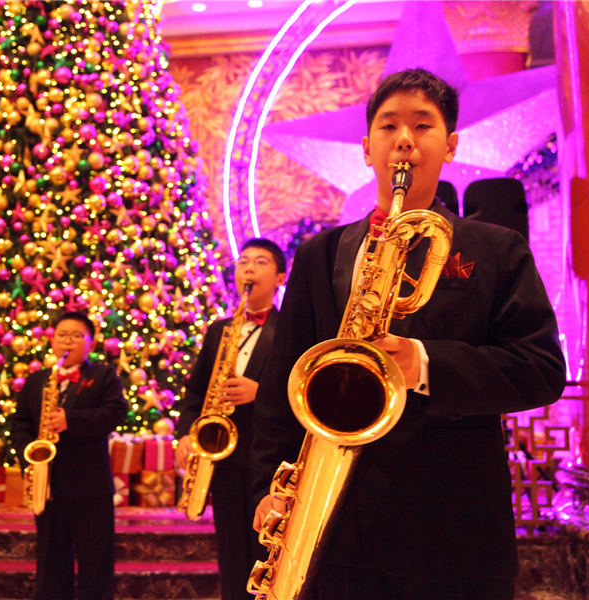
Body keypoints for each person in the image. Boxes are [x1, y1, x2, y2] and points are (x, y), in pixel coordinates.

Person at [250, 68, 566, 600]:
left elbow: (541, 369)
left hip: (454, 534)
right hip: (334, 532)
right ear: (367, 148)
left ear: (450, 145)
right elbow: (286, 385)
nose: (404, 140)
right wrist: (266, 489)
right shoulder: (318, 254)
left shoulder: (497, 248)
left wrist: (424, 364)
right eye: (388, 126)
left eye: (423, 126)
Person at [175, 238, 287, 600]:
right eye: (243, 262)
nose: (249, 269)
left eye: (260, 262)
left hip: (266, 460)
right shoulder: (217, 331)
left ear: (280, 277)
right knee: (231, 555)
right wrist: (185, 435)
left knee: (268, 553)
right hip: (223, 459)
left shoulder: (290, 331)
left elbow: (303, 393)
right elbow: (195, 394)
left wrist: (261, 391)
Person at [10, 311, 127, 600]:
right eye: (62, 335)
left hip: (91, 485)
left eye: (77, 336)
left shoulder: (103, 375)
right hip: (47, 484)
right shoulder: (36, 380)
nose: (68, 342)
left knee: (96, 560)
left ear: (90, 342)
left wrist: (70, 421)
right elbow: (20, 424)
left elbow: (115, 413)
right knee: (50, 559)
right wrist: (31, 460)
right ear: (52, 340)